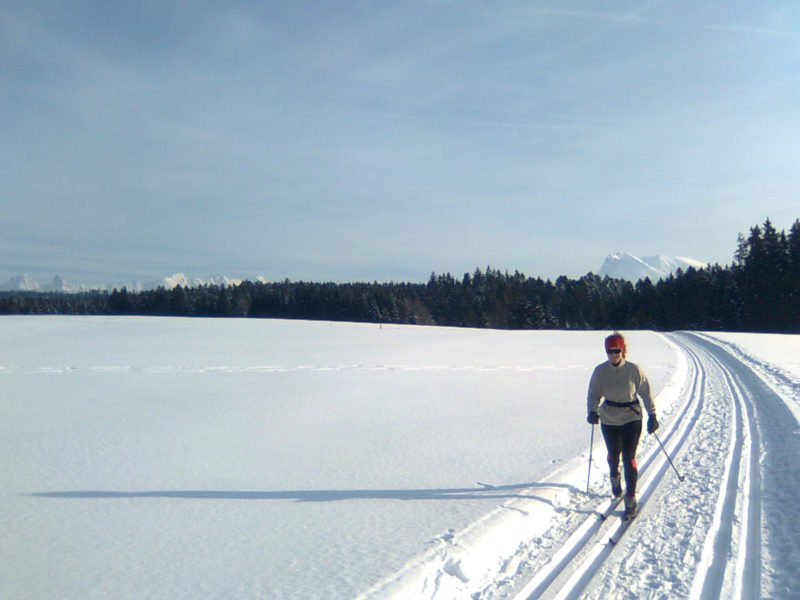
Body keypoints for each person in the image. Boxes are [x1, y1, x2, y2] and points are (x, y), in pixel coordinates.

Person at [586, 332, 658, 520]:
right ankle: (614, 476)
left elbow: (646, 392)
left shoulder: (634, 370)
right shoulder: (600, 371)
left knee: (629, 457)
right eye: (610, 351)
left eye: (617, 351)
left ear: (623, 351)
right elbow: (593, 393)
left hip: (631, 417)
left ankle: (631, 499)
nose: (613, 355)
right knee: (613, 454)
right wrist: (592, 411)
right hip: (609, 418)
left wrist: (652, 415)